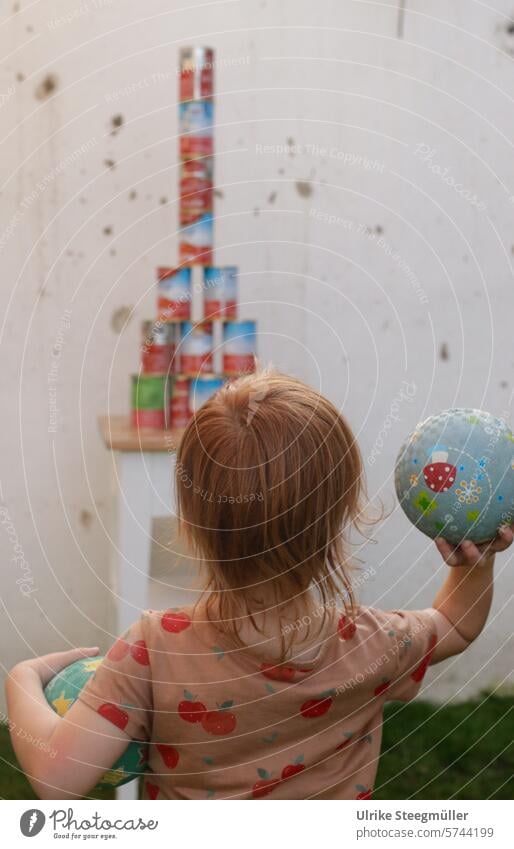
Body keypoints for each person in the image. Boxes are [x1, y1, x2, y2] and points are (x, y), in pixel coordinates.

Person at [6, 370, 512, 799]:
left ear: (192, 523)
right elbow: (454, 626)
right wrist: (476, 559)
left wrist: (21, 681)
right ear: (336, 523)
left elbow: (56, 777)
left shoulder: (152, 653)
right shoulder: (370, 647)